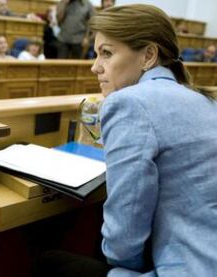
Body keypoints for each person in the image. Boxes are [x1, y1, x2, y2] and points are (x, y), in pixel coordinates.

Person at [34, 4, 217, 276]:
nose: (95, 67)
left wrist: (122, 263)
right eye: (96, 54)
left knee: (47, 261)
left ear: (148, 56)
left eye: (106, 53)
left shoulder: (129, 103)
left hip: (186, 267)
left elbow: (124, 234)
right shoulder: (206, 100)